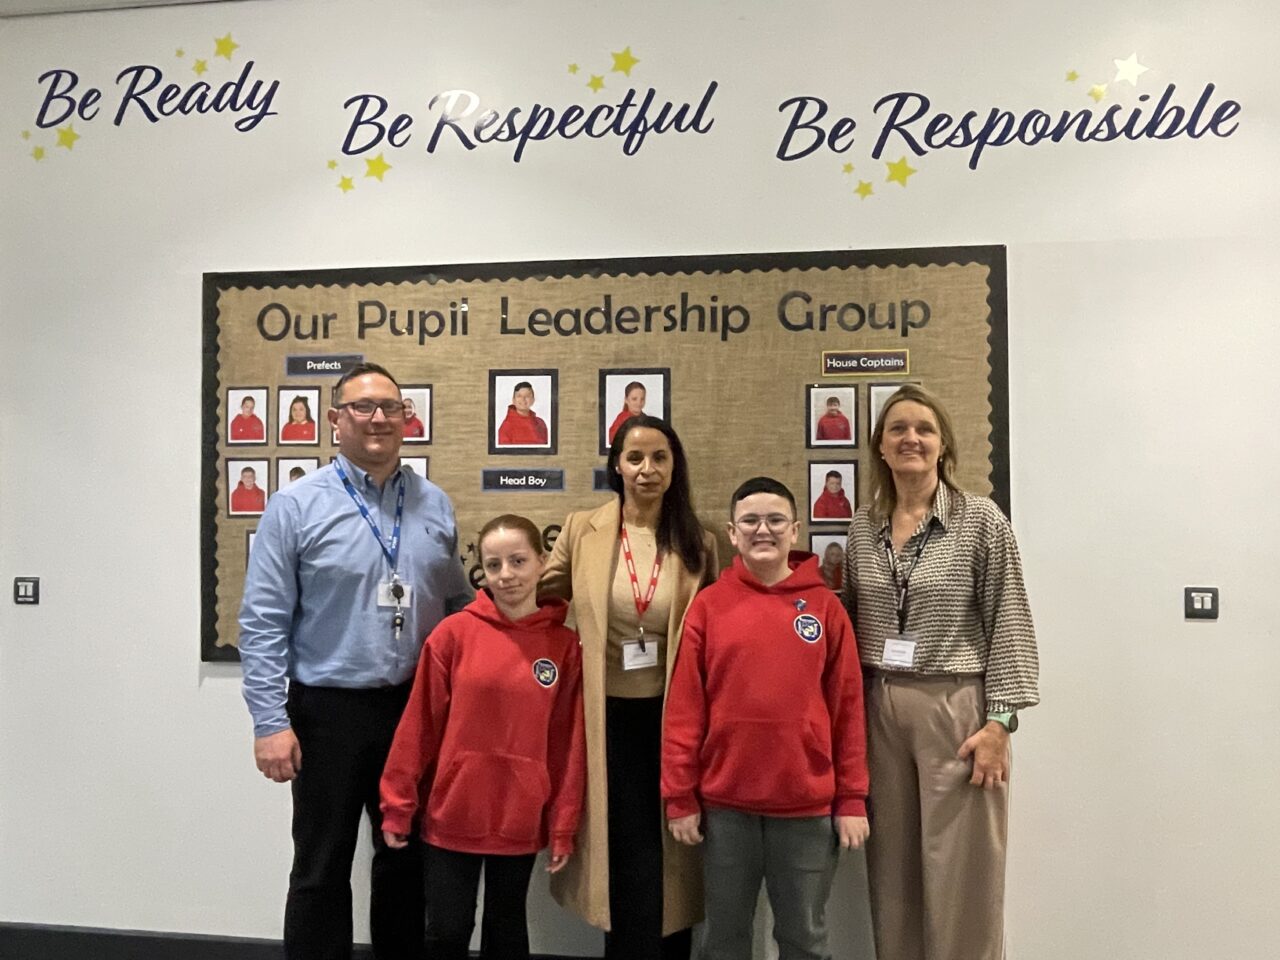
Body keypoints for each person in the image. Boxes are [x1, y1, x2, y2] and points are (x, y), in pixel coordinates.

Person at [238, 361, 472, 960]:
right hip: (326, 712)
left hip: (412, 709)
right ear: (335, 420)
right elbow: (262, 622)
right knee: (321, 865)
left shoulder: (434, 504)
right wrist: (270, 722)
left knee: (404, 858)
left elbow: (456, 606)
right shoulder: (294, 507)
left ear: (406, 420)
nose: (378, 419)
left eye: (390, 408)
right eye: (363, 407)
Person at [842, 384, 1039, 960]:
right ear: (879, 445)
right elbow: (851, 622)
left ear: (943, 445)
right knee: (893, 871)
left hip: (956, 709)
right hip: (881, 704)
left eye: (924, 429)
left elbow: (1011, 620)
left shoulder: (980, 521)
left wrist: (1001, 723)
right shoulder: (862, 526)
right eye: (898, 428)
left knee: (962, 875)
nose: (911, 438)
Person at [663, 476, 869, 960]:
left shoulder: (824, 608)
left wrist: (853, 798)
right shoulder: (709, 607)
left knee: (804, 940)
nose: (763, 530)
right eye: (750, 521)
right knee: (725, 940)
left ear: (794, 530)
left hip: (807, 810)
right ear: (732, 534)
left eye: (775, 520)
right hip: (724, 808)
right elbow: (684, 711)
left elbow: (848, 709)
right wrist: (678, 796)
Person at [540, 414, 717, 960]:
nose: (647, 469)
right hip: (605, 718)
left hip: (674, 719)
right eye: (635, 458)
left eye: (659, 458)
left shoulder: (700, 542)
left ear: (674, 465)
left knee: (673, 856)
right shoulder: (581, 529)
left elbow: (716, 628)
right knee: (620, 857)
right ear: (616, 465)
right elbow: (542, 600)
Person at [380, 514, 586, 960]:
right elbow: (419, 726)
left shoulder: (564, 647)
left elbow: (568, 745)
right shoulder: (452, 635)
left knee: (507, 928)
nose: (506, 576)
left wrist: (564, 824)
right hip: (453, 813)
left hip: (519, 815)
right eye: (494, 565)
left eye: (518, 561)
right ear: (482, 571)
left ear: (542, 561)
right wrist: (397, 804)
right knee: (447, 931)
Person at [497, 381, 549, 446]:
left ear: (533, 400)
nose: (523, 399)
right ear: (513, 400)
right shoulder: (506, 427)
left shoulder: (541, 423)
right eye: (519, 396)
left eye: (527, 396)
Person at [607, 381, 647, 445]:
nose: (639, 403)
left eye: (642, 399)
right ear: (626, 400)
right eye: (634, 399)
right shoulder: (622, 418)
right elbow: (612, 439)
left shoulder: (646, 418)